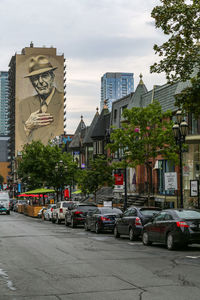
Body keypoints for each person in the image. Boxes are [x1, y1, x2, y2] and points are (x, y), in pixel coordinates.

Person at [18, 55, 64, 145]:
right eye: (35, 78)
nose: (40, 81)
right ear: (32, 82)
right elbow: (21, 141)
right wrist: (27, 128)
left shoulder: (62, 100)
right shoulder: (24, 104)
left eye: (45, 76)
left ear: (52, 77)